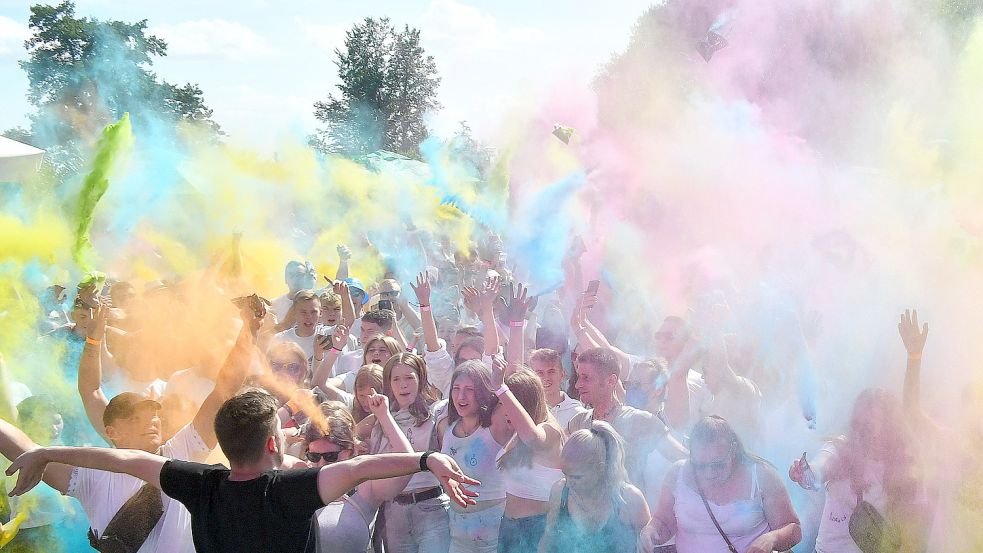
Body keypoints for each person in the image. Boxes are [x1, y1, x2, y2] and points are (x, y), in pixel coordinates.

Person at [6, 390, 481, 553]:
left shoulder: (202, 483)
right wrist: (427, 459)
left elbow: (125, 460)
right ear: (274, 444)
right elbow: (358, 467)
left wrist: (46, 451)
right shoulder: (292, 491)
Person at [789, 389, 925, 553]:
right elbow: (819, 470)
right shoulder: (841, 450)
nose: (876, 432)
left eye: (882, 423)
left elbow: (914, 528)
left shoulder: (903, 467)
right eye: (868, 424)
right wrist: (804, 473)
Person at [641, 415, 801, 553]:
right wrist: (650, 531)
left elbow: (793, 529)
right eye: (700, 466)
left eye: (717, 465)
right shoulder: (677, 473)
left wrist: (771, 538)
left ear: (733, 451)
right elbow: (663, 522)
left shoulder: (761, 476)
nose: (708, 474)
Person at [306, 395, 416, 553]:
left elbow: (407, 463)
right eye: (314, 457)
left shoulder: (366, 487)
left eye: (330, 457)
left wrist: (383, 415)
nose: (321, 464)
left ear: (349, 452)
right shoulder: (299, 478)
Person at [567, 347, 687, 486]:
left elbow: (683, 459)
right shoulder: (579, 422)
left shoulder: (640, 421)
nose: (577, 384)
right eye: (578, 377)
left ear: (611, 381)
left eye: (586, 378)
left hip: (626, 506)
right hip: (582, 507)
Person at [374, 352, 449, 553]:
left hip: (431, 505)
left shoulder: (436, 413)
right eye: (396, 379)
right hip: (395, 510)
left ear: (421, 379)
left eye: (409, 377)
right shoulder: (382, 419)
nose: (403, 385)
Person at [538, 421, 650, 553]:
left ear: (600, 468)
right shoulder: (560, 492)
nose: (568, 483)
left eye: (576, 477)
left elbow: (648, 546)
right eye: (565, 474)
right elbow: (548, 541)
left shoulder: (628, 499)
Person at [438, 360, 512, 553]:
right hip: (457, 535)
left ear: (482, 391)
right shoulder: (447, 428)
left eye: (469, 389)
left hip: (491, 537)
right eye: (456, 388)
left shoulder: (495, 426)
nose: (461, 396)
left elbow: (514, 398)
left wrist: (499, 382)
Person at [491, 362, 565, 553]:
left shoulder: (550, 431)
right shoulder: (517, 435)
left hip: (536, 529)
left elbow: (533, 438)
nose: (505, 410)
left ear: (527, 404)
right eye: (501, 404)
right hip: (508, 526)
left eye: (509, 403)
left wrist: (501, 387)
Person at [529, 348, 586, 429]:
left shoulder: (578, 414)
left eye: (551, 371)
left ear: (562, 374)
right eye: (540, 373)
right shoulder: (525, 410)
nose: (546, 378)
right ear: (531, 377)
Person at [271, 290, 324, 364]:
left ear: (321, 313)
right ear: (294, 313)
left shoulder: (326, 336)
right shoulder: (280, 339)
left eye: (313, 312)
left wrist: (344, 296)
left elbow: (345, 325)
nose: (308, 316)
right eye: (303, 312)